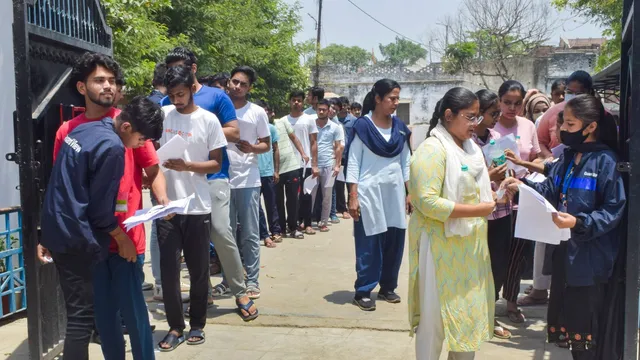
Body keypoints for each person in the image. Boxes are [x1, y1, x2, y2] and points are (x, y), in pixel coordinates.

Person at [39, 93, 164, 360]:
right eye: (141, 139)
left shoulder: (86, 128)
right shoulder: (113, 147)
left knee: (100, 314)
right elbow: (100, 212)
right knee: (85, 320)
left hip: (63, 229)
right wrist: (122, 239)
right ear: (128, 127)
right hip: (84, 238)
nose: (140, 145)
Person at [502, 95, 625, 360]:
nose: (562, 131)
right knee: (570, 326)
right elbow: (550, 191)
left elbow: (614, 209)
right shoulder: (569, 157)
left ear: (590, 126)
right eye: (563, 124)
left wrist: (580, 223)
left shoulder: (606, 161)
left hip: (591, 259)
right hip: (564, 255)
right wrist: (523, 187)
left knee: (587, 331)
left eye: (569, 124)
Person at [163, 48, 256, 318]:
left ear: (192, 68)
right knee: (187, 241)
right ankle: (201, 295)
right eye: (170, 70)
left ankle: (240, 291)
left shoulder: (217, 97)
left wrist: (202, 130)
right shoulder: (168, 104)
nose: (174, 75)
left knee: (219, 231)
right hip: (177, 180)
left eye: (179, 68)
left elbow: (234, 131)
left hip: (212, 176)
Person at [408, 87, 496, 359]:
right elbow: (426, 202)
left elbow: (472, 188)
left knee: (466, 316)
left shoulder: (471, 149)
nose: (475, 125)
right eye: (470, 117)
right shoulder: (432, 150)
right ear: (449, 115)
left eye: (478, 117)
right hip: (439, 247)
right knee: (434, 321)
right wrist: (479, 209)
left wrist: (495, 193)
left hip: (469, 247)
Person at [156, 65, 229, 351]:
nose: (176, 99)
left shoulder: (208, 120)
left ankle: (197, 323)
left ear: (192, 88)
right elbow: (150, 153)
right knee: (169, 270)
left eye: (181, 93)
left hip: (197, 206)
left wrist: (188, 166)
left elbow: (216, 163)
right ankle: (175, 326)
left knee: (199, 271)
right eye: (172, 95)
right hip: (167, 207)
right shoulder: (162, 116)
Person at [346, 79, 411, 311]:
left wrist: (409, 191)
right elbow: (352, 163)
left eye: (397, 99)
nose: (395, 103)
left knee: (394, 240)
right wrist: (353, 195)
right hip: (369, 193)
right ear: (377, 98)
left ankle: (387, 287)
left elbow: (406, 162)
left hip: (394, 193)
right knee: (369, 242)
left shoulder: (400, 128)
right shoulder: (362, 127)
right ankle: (363, 290)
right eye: (391, 98)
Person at [494, 80, 543, 324]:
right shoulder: (490, 126)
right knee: (495, 253)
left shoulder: (527, 125)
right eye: (507, 103)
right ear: (499, 100)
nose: (511, 108)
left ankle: (511, 303)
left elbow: (535, 157)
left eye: (517, 103)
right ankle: (488, 302)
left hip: (523, 196)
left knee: (517, 254)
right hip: (495, 199)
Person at [224, 66, 271, 300]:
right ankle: (228, 280)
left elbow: (267, 144)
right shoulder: (218, 110)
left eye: (243, 84)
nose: (238, 87)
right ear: (228, 83)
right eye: (234, 82)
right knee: (225, 233)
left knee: (250, 233)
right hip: (222, 179)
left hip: (248, 180)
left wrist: (252, 148)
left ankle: (252, 281)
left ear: (249, 88)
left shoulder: (257, 112)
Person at [471, 89, 512, 340]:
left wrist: (509, 176)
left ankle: (490, 313)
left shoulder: (497, 137)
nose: (497, 117)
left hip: (502, 208)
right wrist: (489, 176)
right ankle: (476, 313)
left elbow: (506, 170)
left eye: (498, 112)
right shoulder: (467, 142)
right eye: (493, 113)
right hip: (479, 213)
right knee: (478, 265)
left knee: (498, 265)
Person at [275, 91, 314, 239]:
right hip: (278, 167)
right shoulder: (282, 120)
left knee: (295, 199)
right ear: (289, 102)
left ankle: (294, 226)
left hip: (298, 165)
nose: (296, 103)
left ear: (302, 102)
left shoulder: (309, 119)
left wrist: (306, 155)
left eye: (299, 100)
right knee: (278, 199)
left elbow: (299, 139)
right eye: (293, 100)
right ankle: (281, 228)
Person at [538, 71, 594, 158]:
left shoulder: (601, 114)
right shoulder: (552, 113)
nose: (574, 97)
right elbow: (539, 142)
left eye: (579, 94)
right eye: (570, 92)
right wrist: (550, 158)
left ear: (589, 92)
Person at [311, 99, 343, 232]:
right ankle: (306, 221)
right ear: (316, 110)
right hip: (313, 165)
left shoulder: (335, 127)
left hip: (329, 165)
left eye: (324, 109)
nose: (322, 111)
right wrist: (312, 164)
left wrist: (337, 165)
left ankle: (323, 222)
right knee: (310, 195)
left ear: (329, 110)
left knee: (327, 196)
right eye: (319, 109)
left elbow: (338, 147)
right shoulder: (311, 125)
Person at [255, 100, 283, 248]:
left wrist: (276, 170)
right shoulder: (251, 129)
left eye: (266, 111)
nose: (263, 113)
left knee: (271, 204)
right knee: (257, 207)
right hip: (253, 173)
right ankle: (264, 234)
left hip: (268, 172)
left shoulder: (271, 129)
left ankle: (275, 231)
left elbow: (276, 149)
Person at [335, 97, 356, 220]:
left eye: (344, 105)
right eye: (340, 105)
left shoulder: (353, 120)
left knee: (350, 181)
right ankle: (341, 208)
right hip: (339, 156)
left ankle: (350, 204)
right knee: (339, 183)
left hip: (351, 155)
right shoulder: (334, 120)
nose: (342, 107)